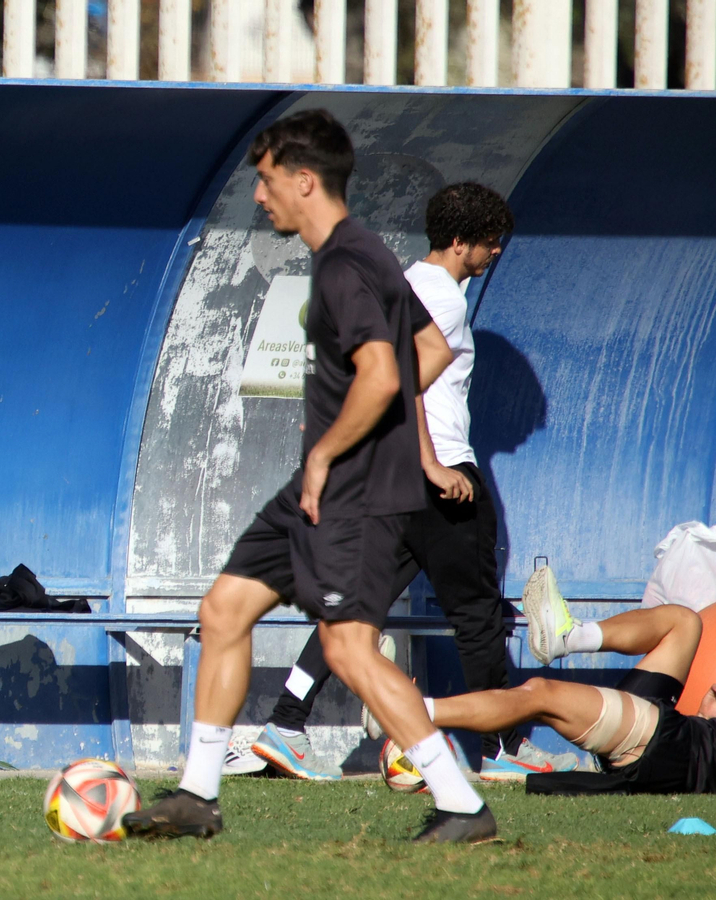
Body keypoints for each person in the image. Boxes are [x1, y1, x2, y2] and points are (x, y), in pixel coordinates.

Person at [122, 109, 496, 844]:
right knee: (225, 610)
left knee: (347, 647)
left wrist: (334, 452)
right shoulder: (367, 256)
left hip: (345, 492)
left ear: (303, 180)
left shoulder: (347, 265)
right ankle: (198, 794)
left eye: (266, 183)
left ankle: (460, 804)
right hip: (319, 487)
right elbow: (430, 348)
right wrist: (385, 443)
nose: (260, 198)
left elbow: (385, 371)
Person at [243, 183, 578, 783]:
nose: (495, 252)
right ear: (459, 242)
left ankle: (285, 725)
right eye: (489, 242)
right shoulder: (442, 299)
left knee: (352, 614)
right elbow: (408, 383)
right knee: (476, 613)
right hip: (436, 475)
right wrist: (431, 465)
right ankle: (503, 747)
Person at [421, 566, 716, 795]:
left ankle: (411, 711)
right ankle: (571, 636)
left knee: (539, 694)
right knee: (685, 622)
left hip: (680, 750)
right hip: (691, 739)